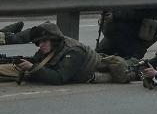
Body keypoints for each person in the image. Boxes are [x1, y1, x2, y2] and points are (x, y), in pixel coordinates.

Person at [0, 22, 130, 85]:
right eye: (38, 43)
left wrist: (31, 68)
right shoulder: (51, 47)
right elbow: (38, 61)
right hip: (74, 71)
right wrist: (21, 61)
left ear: (53, 40)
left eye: (43, 42)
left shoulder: (73, 51)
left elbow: (59, 78)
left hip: (97, 72)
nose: (40, 46)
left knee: (129, 68)